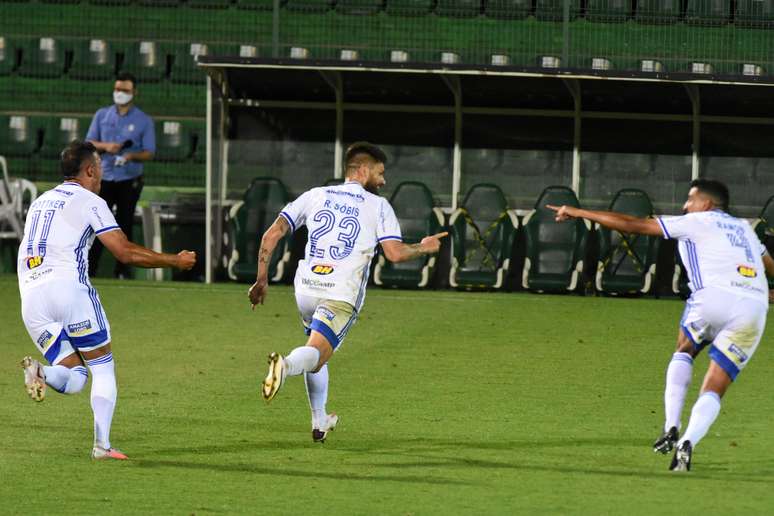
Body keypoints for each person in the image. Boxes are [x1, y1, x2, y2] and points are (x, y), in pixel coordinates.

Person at [548, 179, 774, 472]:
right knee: (716, 386)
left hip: (713, 298)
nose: (684, 206)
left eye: (690, 200)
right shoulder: (745, 228)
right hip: (754, 307)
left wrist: (580, 213)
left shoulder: (696, 221)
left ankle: (671, 427)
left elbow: (634, 225)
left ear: (706, 204)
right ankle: (689, 442)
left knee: (685, 347)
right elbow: (769, 266)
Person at [248, 142, 447, 442]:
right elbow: (394, 253)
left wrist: (261, 279)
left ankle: (319, 420)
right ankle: (285, 365)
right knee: (315, 354)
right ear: (363, 170)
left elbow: (272, 233)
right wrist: (424, 247)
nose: (383, 181)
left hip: (305, 288)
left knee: (316, 349)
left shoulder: (315, 195)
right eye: (380, 173)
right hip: (340, 291)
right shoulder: (378, 206)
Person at [18, 141, 196, 460]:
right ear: (89, 170)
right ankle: (102, 445)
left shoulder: (41, 201)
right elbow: (124, 252)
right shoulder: (90, 200)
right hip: (68, 290)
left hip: (31, 299)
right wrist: (174, 260)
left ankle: (42, 371)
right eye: (100, 165)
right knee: (102, 367)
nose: (102, 172)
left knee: (75, 377)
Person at [86, 72, 155, 279]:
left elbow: (149, 152)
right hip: (104, 179)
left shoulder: (144, 120)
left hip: (129, 179)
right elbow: (89, 143)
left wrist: (130, 156)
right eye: (117, 89)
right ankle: (90, 270)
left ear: (134, 92)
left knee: (124, 224)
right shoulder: (102, 115)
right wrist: (107, 146)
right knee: (97, 226)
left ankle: (122, 272)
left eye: (125, 90)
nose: (120, 93)